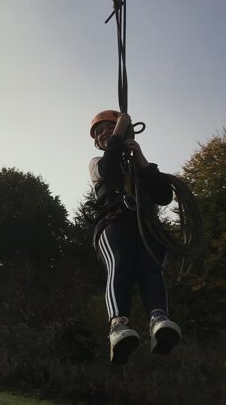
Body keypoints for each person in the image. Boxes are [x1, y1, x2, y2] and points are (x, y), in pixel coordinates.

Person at [89, 110, 182, 365]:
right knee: (119, 264)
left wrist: (139, 156)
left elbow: (163, 195)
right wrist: (119, 130)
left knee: (151, 269)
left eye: (108, 127)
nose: (104, 133)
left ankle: (159, 319)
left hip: (146, 226)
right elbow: (108, 170)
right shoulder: (97, 162)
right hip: (114, 222)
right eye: (99, 132)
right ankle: (118, 325)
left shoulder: (135, 165)